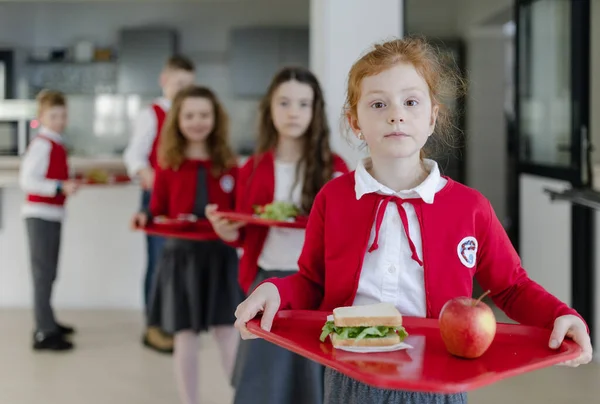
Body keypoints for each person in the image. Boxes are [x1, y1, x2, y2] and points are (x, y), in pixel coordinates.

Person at [232, 37, 594, 404]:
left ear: (432, 116)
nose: (396, 114)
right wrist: (275, 290)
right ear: (354, 122)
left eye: (410, 101)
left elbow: (512, 287)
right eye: (378, 103)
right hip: (349, 378)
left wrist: (560, 315)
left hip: (441, 378)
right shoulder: (333, 198)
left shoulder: (471, 207)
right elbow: (311, 281)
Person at [206, 66, 349, 404]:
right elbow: (244, 236)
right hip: (265, 282)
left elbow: (346, 240)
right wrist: (226, 232)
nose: (293, 112)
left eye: (303, 104)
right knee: (262, 386)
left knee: (311, 385)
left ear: (315, 112)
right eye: (284, 103)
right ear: (270, 109)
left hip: (316, 289)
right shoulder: (252, 169)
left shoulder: (336, 169)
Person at [131, 85, 243, 404]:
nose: (197, 121)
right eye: (190, 115)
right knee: (185, 336)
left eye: (204, 115)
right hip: (180, 259)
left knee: (227, 332)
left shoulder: (228, 163)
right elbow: (157, 209)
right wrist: (143, 215)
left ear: (215, 119)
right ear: (177, 120)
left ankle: (243, 395)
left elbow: (239, 211)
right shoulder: (168, 164)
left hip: (221, 256)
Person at [123, 55, 196, 353]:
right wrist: (146, 173)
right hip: (157, 200)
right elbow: (134, 155)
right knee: (158, 264)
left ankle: (170, 323)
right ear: (164, 80)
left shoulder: (187, 115)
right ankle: (153, 327)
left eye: (189, 85)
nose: (183, 90)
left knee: (177, 263)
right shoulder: (151, 114)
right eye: (179, 83)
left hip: (182, 202)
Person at [19, 90, 80, 351]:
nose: (59, 120)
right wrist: (57, 187)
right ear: (42, 117)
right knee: (43, 274)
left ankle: (48, 321)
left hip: (52, 215)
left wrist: (66, 183)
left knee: (49, 273)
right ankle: (44, 331)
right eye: (53, 116)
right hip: (40, 215)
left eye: (62, 115)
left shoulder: (56, 143)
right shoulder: (42, 143)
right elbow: (27, 180)